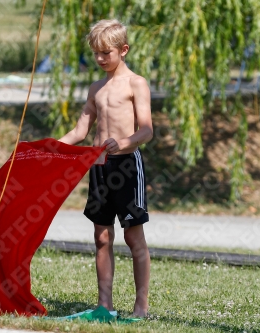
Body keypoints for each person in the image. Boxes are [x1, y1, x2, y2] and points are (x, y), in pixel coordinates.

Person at [59, 19, 153, 317]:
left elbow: (147, 130)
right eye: (95, 54)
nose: (100, 59)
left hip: (126, 165)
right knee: (102, 237)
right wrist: (47, 150)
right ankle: (105, 305)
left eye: (106, 53)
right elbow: (79, 131)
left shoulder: (136, 83)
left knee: (133, 237)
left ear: (123, 50)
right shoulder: (96, 88)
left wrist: (124, 142)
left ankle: (141, 306)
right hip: (98, 166)